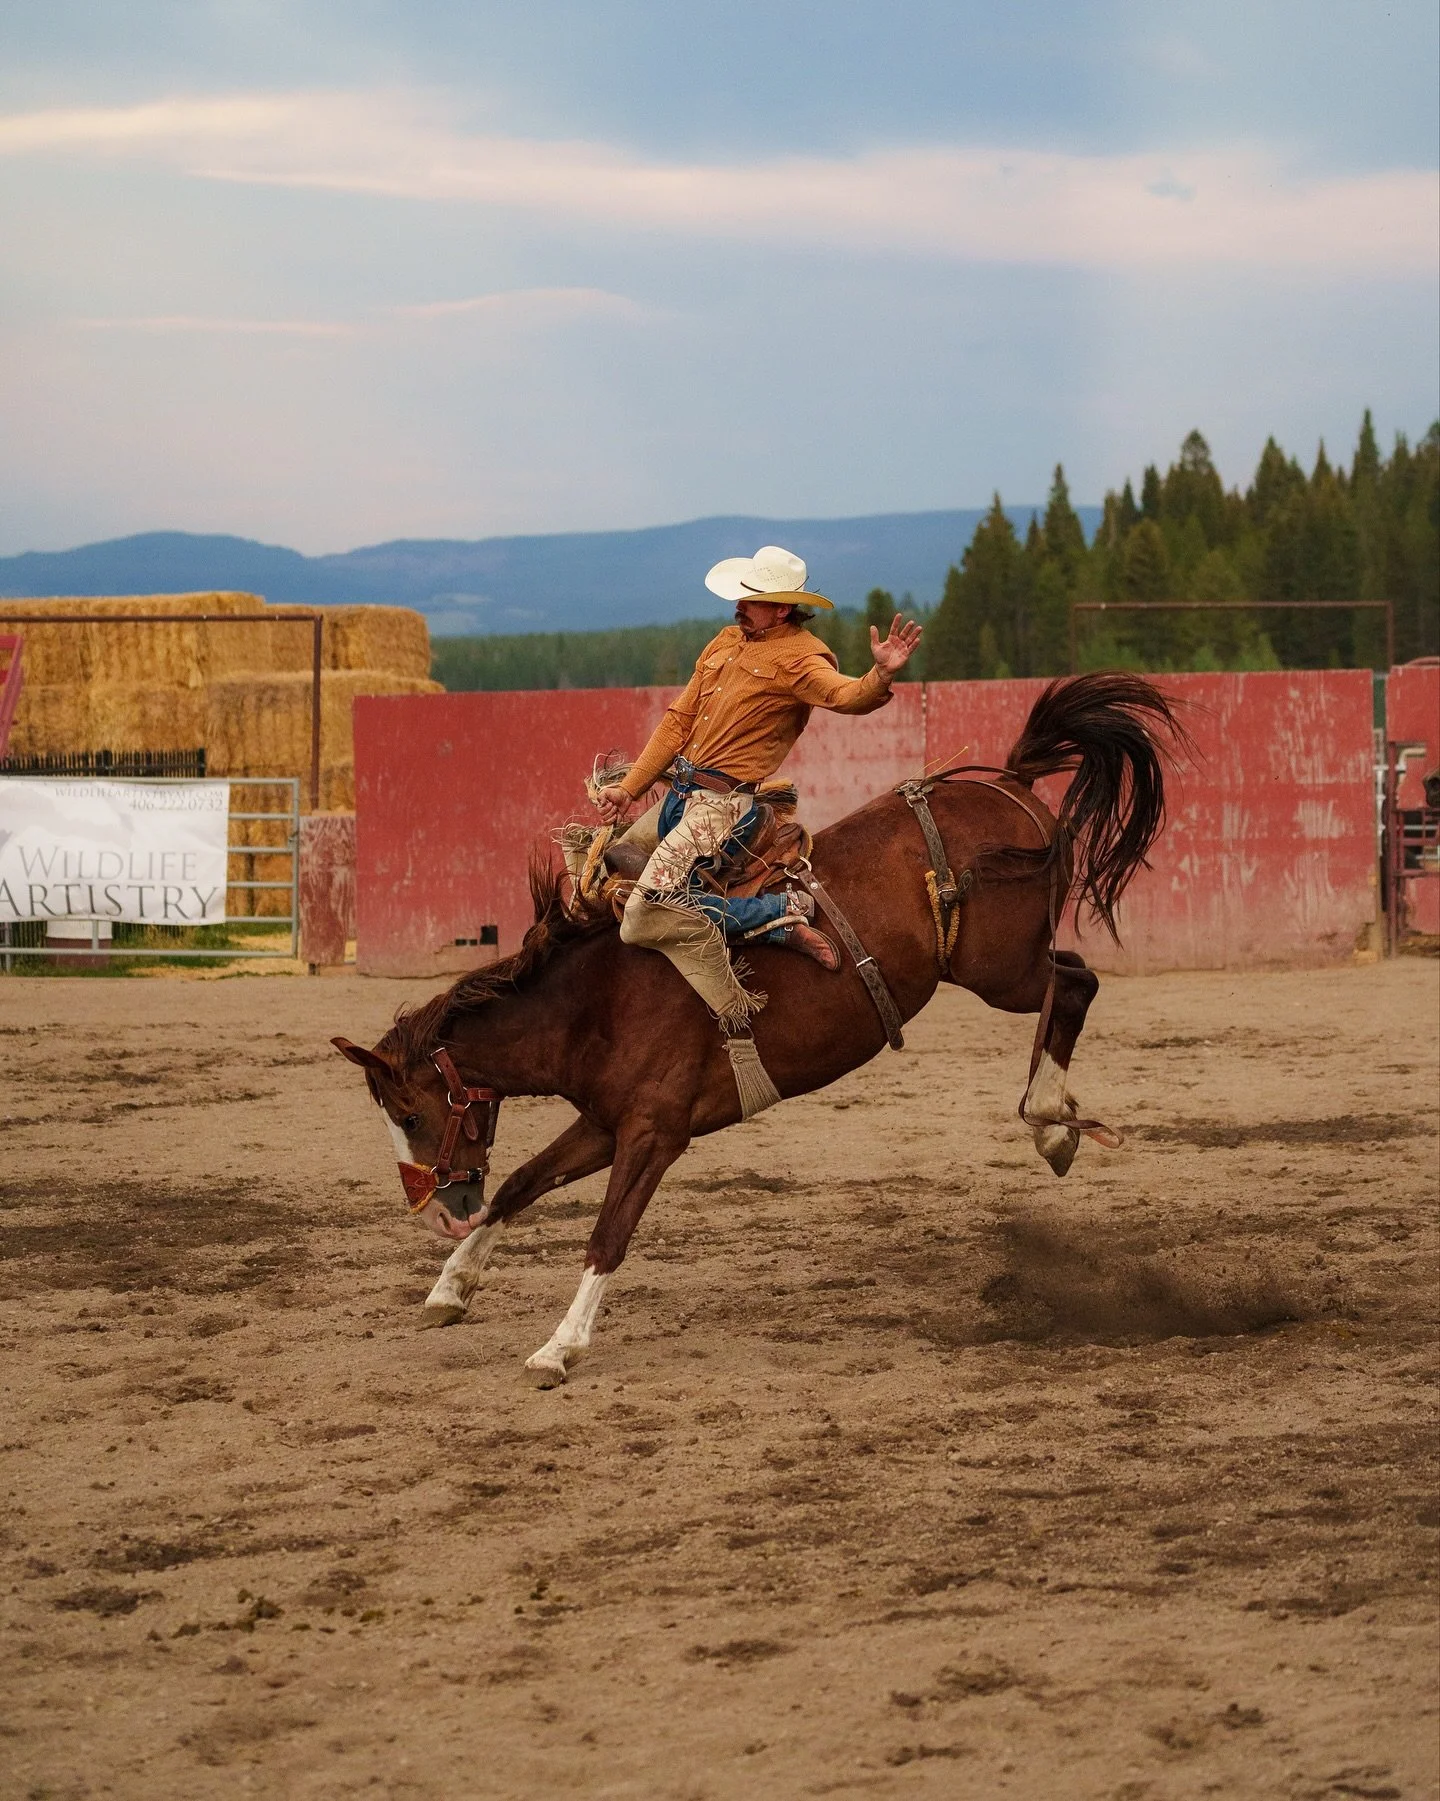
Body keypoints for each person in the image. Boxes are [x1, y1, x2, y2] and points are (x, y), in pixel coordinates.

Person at [595, 545, 922, 1015]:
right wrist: (628, 789)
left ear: (783, 608)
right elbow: (677, 721)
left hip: (720, 809)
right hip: (680, 795)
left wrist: (879, 675)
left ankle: (780, 912)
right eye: (742, 595)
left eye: (751, 598)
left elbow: (846, 695)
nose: (739, 605)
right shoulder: (724, 641)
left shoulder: (801, 657)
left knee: (641, 915)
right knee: (605, 861)